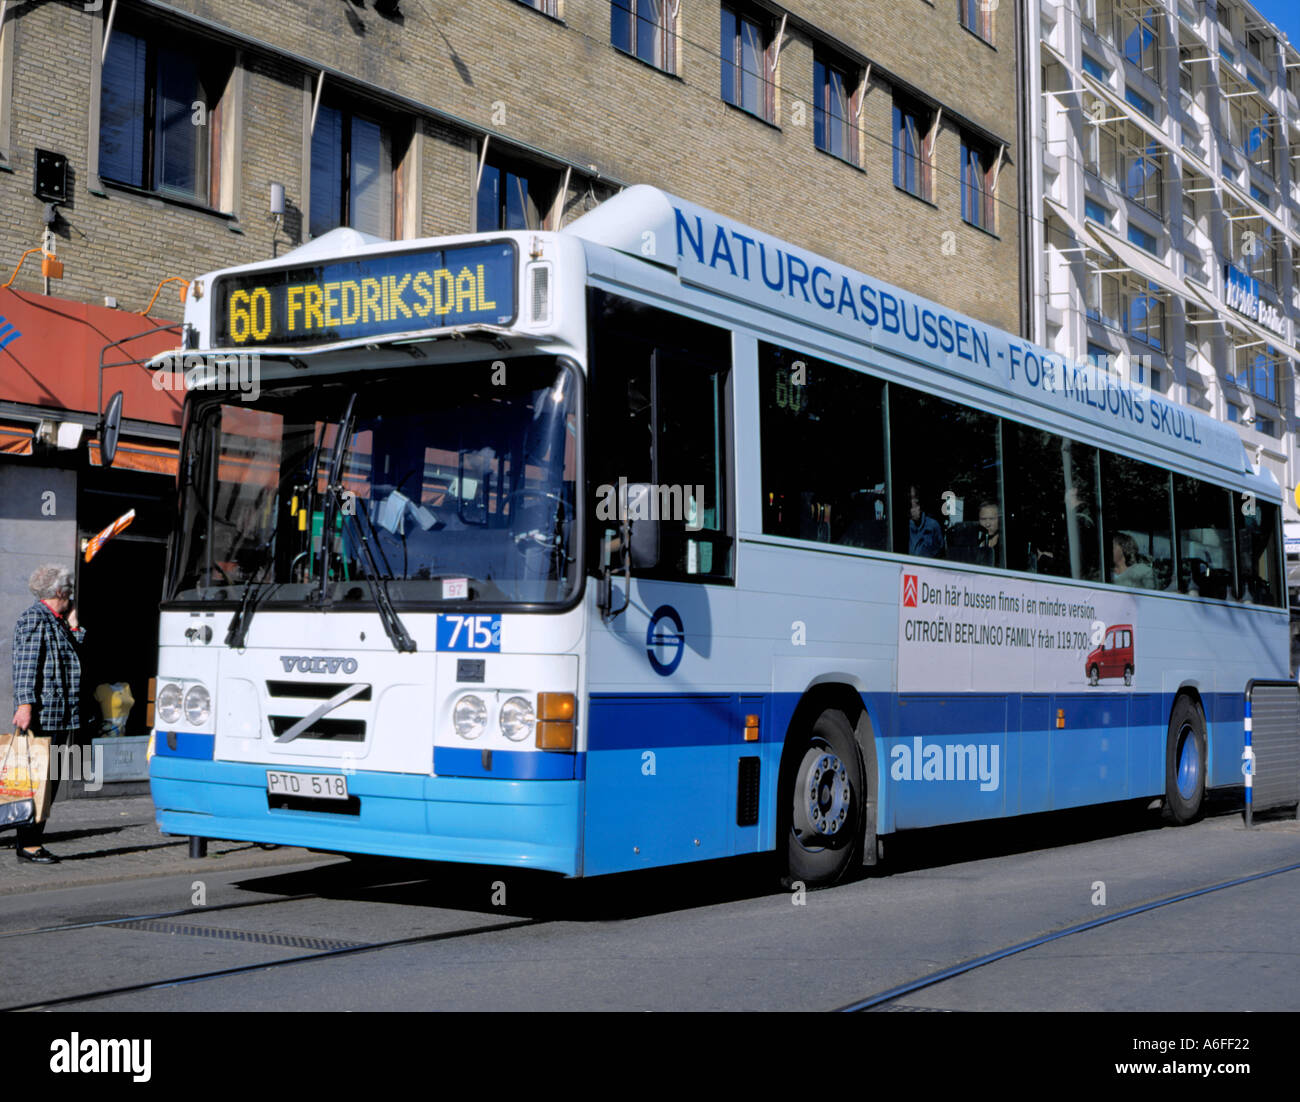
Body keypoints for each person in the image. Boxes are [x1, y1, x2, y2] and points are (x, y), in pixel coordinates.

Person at [10, 564, 86, 864]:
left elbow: (73, 658)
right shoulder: (35, 619)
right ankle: (28, 845)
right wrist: (25, 705)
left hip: (59, 712)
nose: (72, 595)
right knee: (38, 781)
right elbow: (25, 666)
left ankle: (28, 838)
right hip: (43, 713)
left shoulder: (56, 621)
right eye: (69, 589)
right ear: (59, 592)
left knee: (44, 779)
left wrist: (75, 625)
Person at [907, 485, 945, 558]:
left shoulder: (933, 525)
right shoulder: (902, 528)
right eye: (910, 498)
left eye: (915, 498)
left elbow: (941, 551)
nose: (913, 502)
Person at [975, 501, 1001, 567]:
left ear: (999, 520)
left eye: (992, 519)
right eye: (983, 519)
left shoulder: (1005, 545)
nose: (987, 524)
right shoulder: (972, 541)